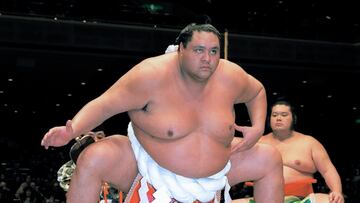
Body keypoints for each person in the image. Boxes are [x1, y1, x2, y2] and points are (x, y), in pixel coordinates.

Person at [41, 23, 283, 203]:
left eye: (213, 51)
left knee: (268, 157)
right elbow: (105, 104)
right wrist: (71, 131)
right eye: (199, 50)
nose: (207, 59)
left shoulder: (230, 76)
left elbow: (257, 91)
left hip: (215, 176)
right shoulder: (149, 76)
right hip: (148, 168)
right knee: (94, 157)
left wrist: (259, 126)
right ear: (181, 49)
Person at [257, 100, 343, 203]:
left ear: (293, 118)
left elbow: (327, 170)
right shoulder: (259, 142)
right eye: (274, 115)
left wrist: (337, 191)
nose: (278, 118)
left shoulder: (309, 142)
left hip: (302, 199)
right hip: (264, 198)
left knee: (330, 201)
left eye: (284, 115)